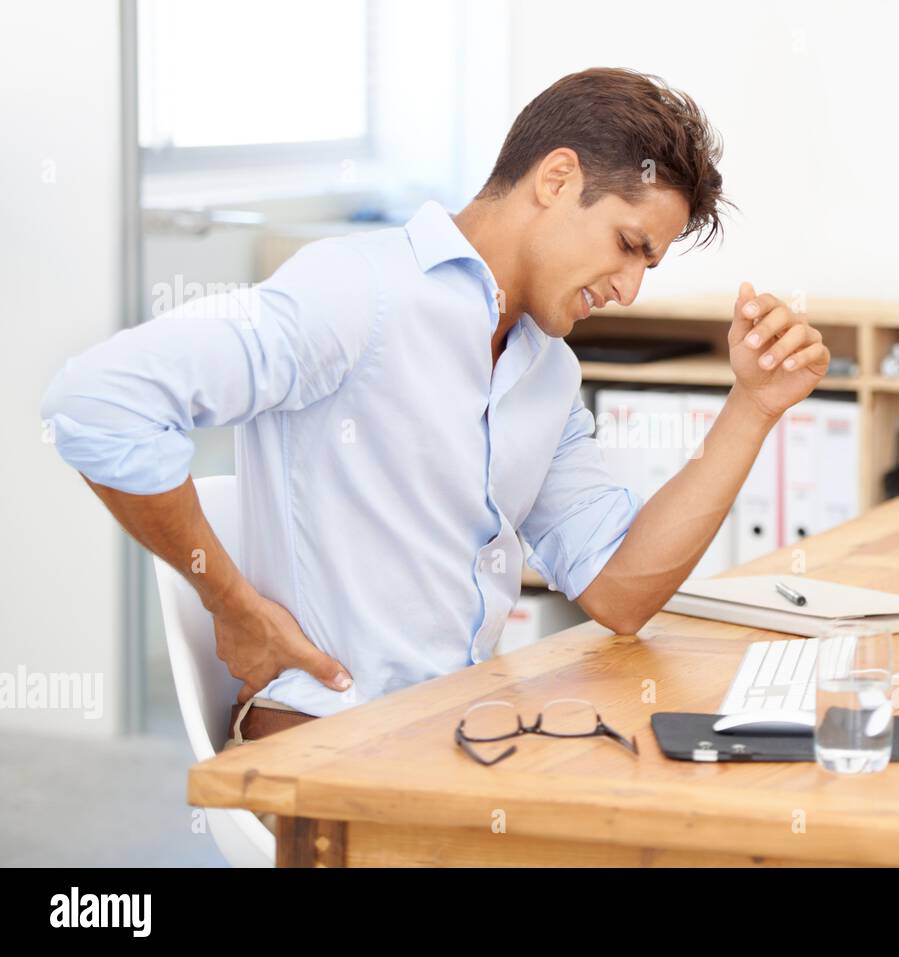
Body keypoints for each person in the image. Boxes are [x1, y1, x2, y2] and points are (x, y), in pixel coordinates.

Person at [41, 67, 829, 744]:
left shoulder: (546, 372)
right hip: (329, 742)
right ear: (556, 179)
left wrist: (753, 406)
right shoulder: (359, 292)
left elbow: (620, 591)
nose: (628, 288)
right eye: (629, 245)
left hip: (456, 734)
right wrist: (231, 601)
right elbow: (97, 400)